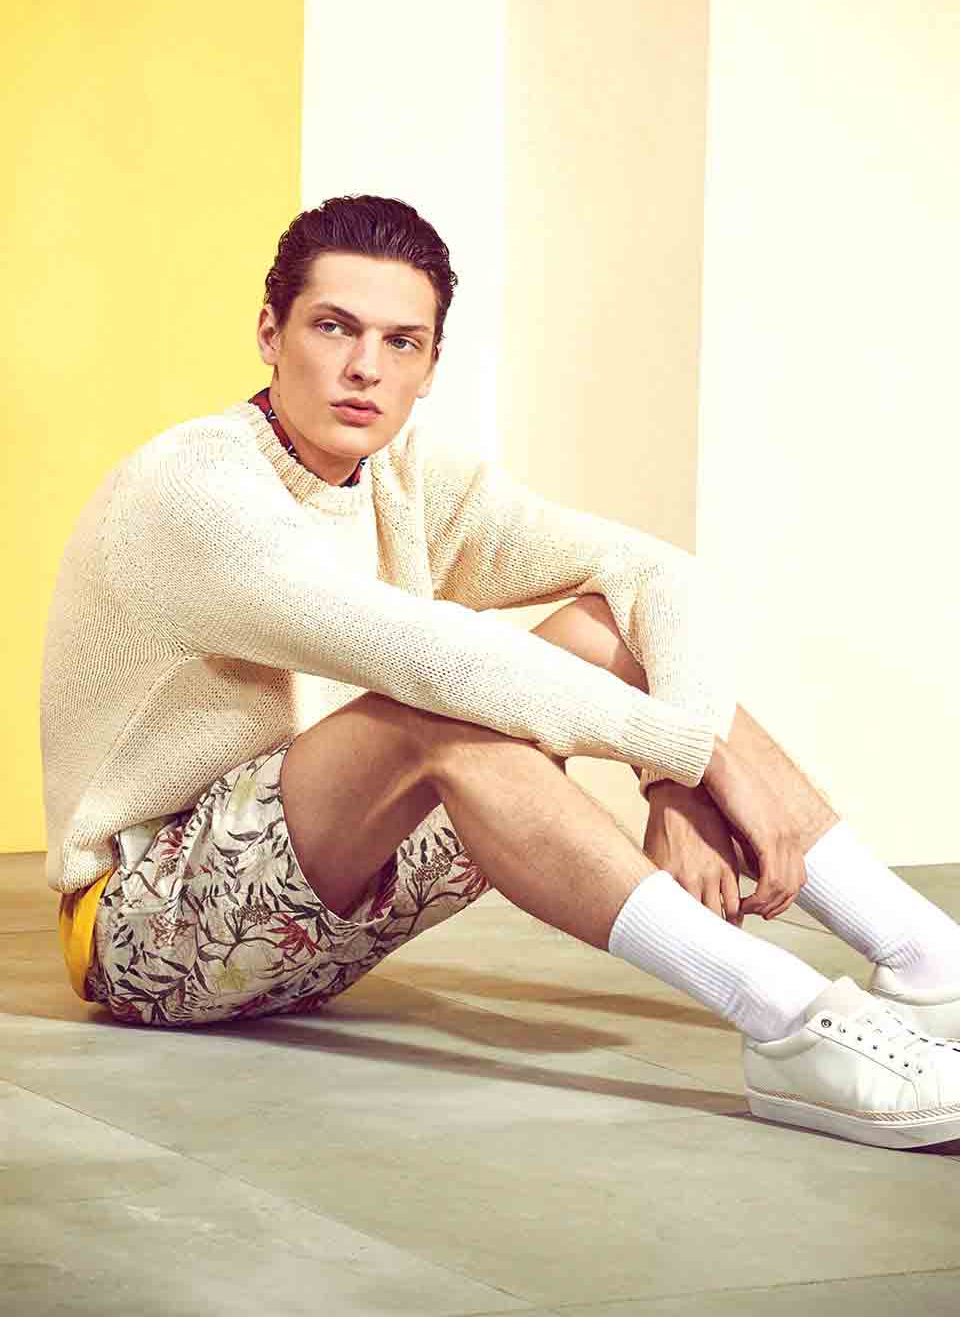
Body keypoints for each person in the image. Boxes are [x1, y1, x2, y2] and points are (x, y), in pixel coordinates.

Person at [43, 194, 960, 1151]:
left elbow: (654, 573)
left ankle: (928, 962)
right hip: (153, 933)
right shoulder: (194, 487)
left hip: (324, 918)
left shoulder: (407, 476)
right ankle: (792, 1024)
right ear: (271, 334)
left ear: (431, 366)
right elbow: (434, 658)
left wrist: (673, 780)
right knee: (437, 712)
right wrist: (695, 758)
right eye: (334, 327)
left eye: (402, 342)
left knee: (614, 627)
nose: (366, 367)